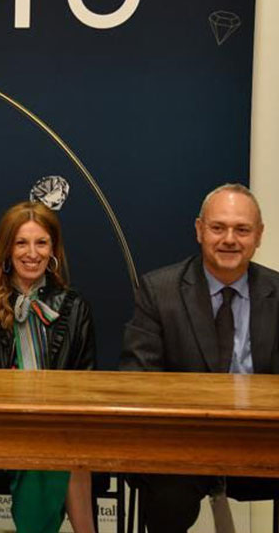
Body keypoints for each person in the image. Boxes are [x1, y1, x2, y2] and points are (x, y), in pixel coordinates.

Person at [120, 183, 279, 532]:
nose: (229, 239)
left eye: (242, 230)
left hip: (263, 441)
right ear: (199, 230)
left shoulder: (277, 293)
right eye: (218, 227)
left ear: (259, 235)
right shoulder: (159, 291)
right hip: (182, 444)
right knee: (166, 493)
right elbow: (139, 380)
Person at [0, 201, 95, 533]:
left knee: (63, 445)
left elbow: (87, 380)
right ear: (7, 249)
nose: (32, 253)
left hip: (59, 423)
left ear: (53, 250)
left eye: (41, 243)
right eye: (21, 243)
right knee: (52, 450)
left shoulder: (75, 307)